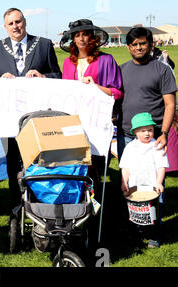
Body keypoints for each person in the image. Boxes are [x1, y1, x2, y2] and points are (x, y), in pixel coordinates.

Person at [0, 7, 62, 216]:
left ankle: (41, 206)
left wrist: (43, 76)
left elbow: (58, 76)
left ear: (25, 22)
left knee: (40, 162)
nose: (15, 26)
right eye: (10, 23)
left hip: (39, 118)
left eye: (18, 22)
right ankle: (16, 207)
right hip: (9, 119)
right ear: (5, 27)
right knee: (13, 164)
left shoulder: (44, 45)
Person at [117, 27, 177, 243]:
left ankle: (154, 231)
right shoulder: (121, 70)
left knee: (155, 184)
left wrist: (164, 133)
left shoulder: (162, 70)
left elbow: (170, 105)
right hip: (126, 135)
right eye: (134, 44)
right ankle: (134, 228)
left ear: (151, 44)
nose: (138, 47)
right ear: (128, 46)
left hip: (154, 138)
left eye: (142, 43)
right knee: (129, 183)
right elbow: (114, 99)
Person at [60, 19, 123, 204]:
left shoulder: (106, 60)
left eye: (85, 34)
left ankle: (96, 208)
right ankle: (77, 206)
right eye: (77, 35)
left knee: (95, 166)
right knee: (76, 166)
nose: (81, 39)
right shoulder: (67, 63)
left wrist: (95, 86)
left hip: (97, 123)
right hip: (74, 124)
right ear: (72, 39)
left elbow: (117, 92)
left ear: (92, 37)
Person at [119, 112, 169, 248]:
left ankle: (154, 236)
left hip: (153, 186)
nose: (147, 133)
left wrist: (159, 182)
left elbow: (161, 166)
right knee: (137, 211)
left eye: (150, 130)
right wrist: (124, 182)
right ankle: (137, 233)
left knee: (155, 211)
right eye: (143, 131)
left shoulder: (157, 146)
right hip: (136, 187)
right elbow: (125, 167)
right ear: (135, 132)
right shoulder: (129, 148)